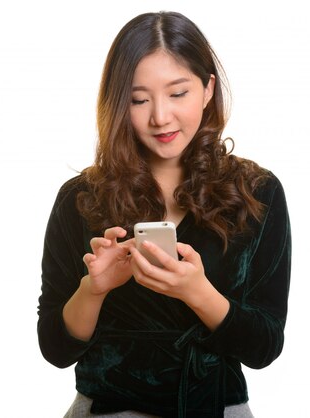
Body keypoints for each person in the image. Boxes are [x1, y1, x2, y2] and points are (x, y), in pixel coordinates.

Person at [37, 11, 291, 418]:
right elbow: (55, 348)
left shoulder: (256, 192)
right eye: (139, 99)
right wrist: (94, 289)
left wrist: (197, 292)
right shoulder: (80, 198)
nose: (160, 117)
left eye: (178, 93)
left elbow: (264, 347)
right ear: (119, 102)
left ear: (208, 89)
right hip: (108, 409)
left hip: (216, 407)